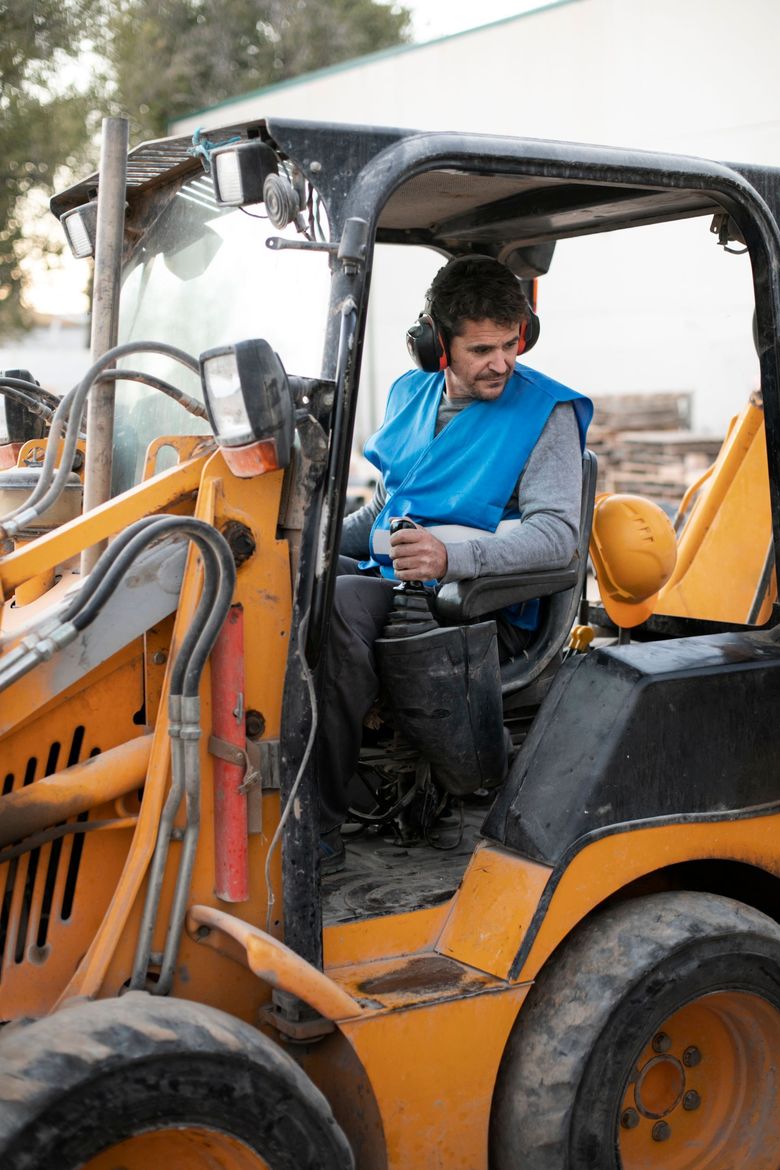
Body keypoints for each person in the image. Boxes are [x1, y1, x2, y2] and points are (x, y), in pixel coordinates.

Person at [318, 254, 592, 872]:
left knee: (337, 603)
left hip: (479, 607)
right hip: (402, 582)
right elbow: (382, 519)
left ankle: (321, 826)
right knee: (303, 581)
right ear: (439, 345)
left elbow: (558, 539)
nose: (502, 363)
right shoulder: (407, 395)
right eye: (481, 350)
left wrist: (452, 556)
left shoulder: (544, 413)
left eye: (510, 344)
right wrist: (311, 539)